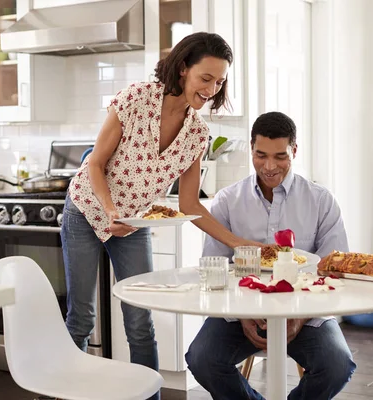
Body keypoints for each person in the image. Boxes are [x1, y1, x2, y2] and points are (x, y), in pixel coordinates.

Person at [61, 32, 262, 400]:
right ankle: (67, 393)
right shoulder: (137, 99)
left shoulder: (196, 134)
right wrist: (110, 211)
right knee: (82, 317)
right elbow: (96, 162)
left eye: (219, 82)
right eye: (206, 79)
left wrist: (239, 242)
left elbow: (190, 205)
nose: (211, 89)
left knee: (141, 320)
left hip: (134, 223)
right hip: (87, 211)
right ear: (183, 69)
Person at [185, 111, 356, 400]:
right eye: (261, 155)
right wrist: (243, 317)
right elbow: (216, 269)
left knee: (337, 364)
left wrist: (299, 319)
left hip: (305, 316)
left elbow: (331, 270)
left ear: (295, 151)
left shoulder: (321, 201)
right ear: (251, 149)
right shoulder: (227, 201)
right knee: (202, 358)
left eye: (280, 156)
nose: (269, 166)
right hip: (240, 315)